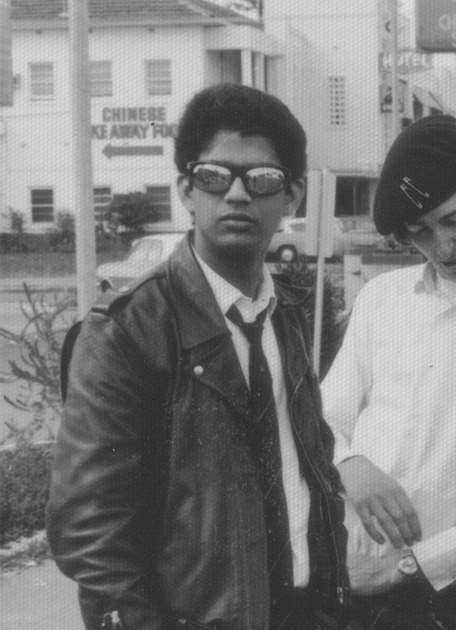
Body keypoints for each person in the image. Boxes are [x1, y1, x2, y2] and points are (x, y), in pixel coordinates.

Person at [47, 83, 351, 630]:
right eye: (214, 177)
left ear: (294, 195)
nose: (237, 195)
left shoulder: (288, 314)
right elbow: (91, 532)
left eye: (261, 180)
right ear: (187, 189)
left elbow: (312, 473)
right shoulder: (129, 331)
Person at [321, 114, 456, 629]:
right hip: (354, 579)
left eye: (454, 220)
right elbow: (321, 417)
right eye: (419, 233)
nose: (443, 247)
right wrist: (351, 466)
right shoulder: (380, 299)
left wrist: (417, 566)